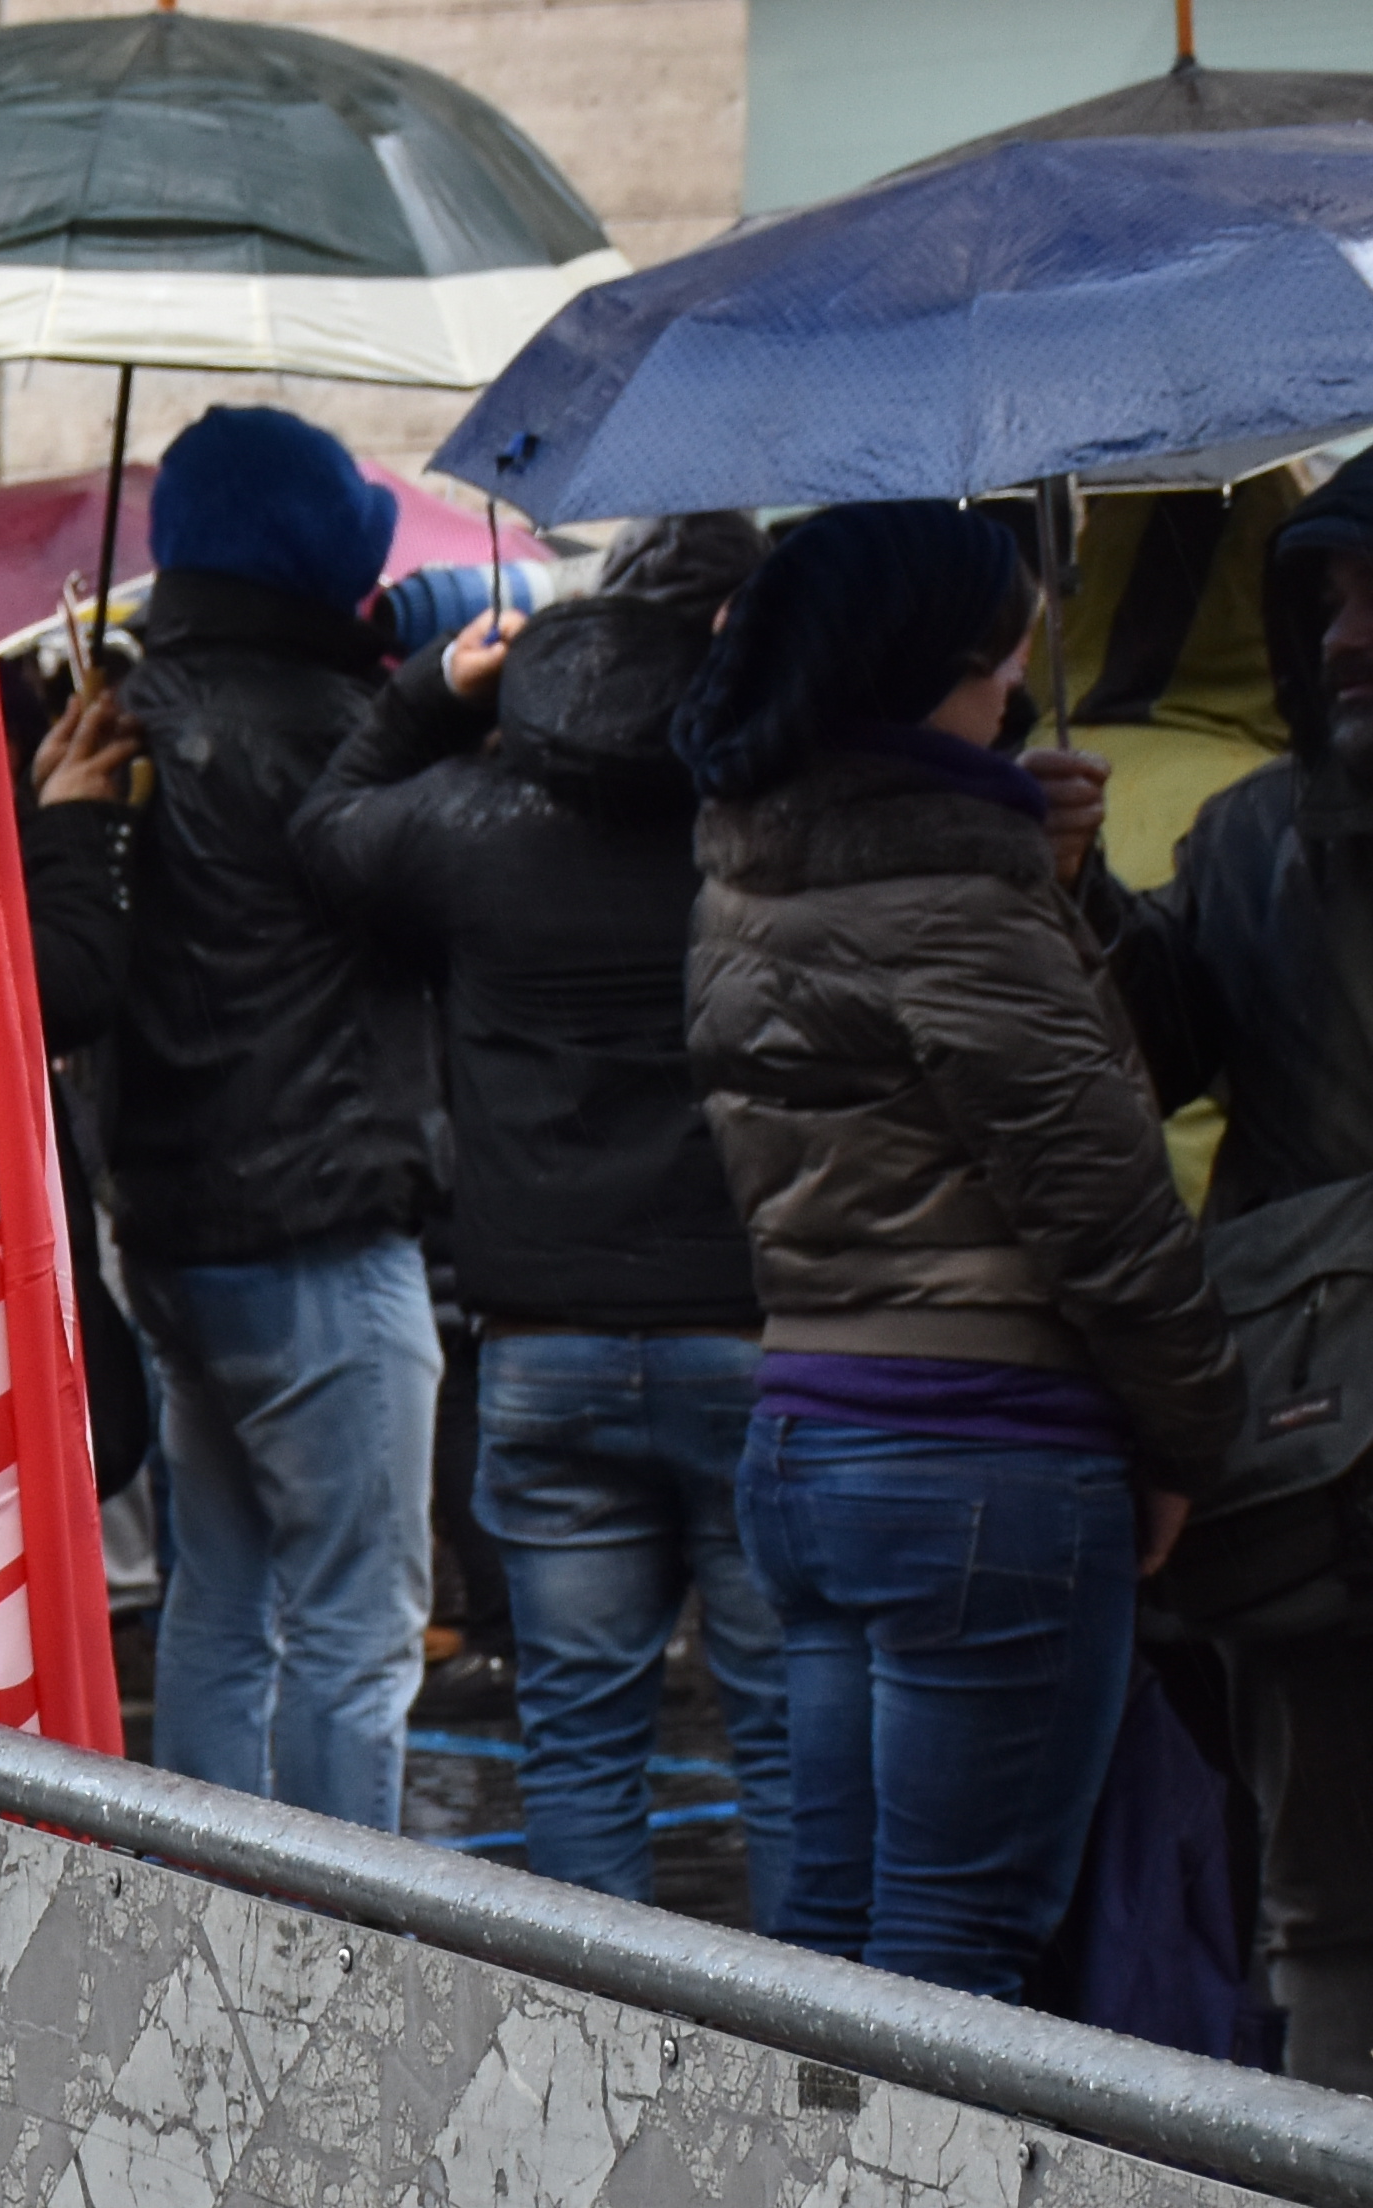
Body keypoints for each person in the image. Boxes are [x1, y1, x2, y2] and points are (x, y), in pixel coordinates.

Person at [681, 500, 1238, 2002]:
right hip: (983, 1467)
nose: (1014, 695)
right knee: (956, 1957)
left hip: (810, 1445)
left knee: (834, 1939)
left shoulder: (752, 870)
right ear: (931, 673)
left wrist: (1042, 879)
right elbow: (1105, 1202)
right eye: (998, 664)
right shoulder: (957, 908)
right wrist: (1191, 1438)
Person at [296, 517, 787, 1918]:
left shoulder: (472, 828)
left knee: (580, 1733)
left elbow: (323, 830)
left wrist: (430, 694)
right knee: (784, 1735)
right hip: (746, 1324)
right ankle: (826, 2066)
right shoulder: (755, 821)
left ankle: (599, 2052)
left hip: (547, 1337)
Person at [95, 406, 438, 1832]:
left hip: (174, 1227)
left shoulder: (128, 712)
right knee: (358, 1631)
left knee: (221, 1602)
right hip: (321, 1226)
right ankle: (338, 1955)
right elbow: (426, 909)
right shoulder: (331, 733)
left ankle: (205, 1931)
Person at [1115, 474, 1373, 2084]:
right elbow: (1150, 1054)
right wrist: (1070, 897)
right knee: (1329, 1903)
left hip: (1311, 1433)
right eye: (1325, 599)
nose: (1345, 639)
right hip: (1321, 1466)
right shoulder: (1258, 838)